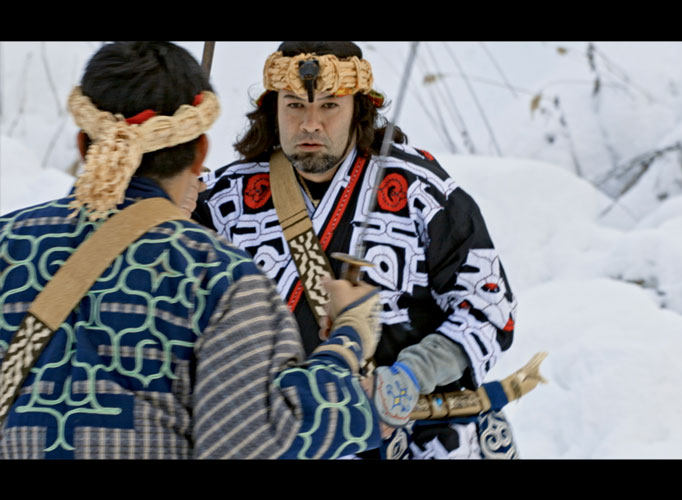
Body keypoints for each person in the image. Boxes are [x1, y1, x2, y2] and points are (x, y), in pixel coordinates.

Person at [0, 41, 385, 459]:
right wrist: (347, 340)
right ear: (201, 151)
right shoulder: (219, 278)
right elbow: (261, 440)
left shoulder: (7, 245)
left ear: (82, 144)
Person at [194, 41, 519, 459]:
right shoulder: (223, 201)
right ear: (272, 109)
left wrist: (411, 375)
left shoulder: (420, 192)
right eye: (294, 105)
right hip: (278, 439)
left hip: (415, 438)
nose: (310, 124)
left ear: (359, 109)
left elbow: (489, 308)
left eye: (329, 106)